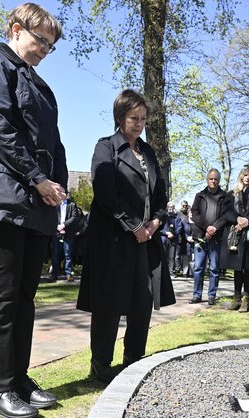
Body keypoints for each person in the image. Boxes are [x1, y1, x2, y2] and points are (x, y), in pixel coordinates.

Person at [0, 2, 68, 418]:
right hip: (3, 198)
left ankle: (18, 379)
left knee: (26, 296)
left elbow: (55, 142)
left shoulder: (39, 84)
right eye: (40, 39)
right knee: (5, 295)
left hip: (36, 203)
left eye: (50, 45)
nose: (45, 49)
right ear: (16, 29)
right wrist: (36, 178)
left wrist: (57, 186)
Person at [77, 89, 175, 383]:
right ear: (120, 117)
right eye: (134, 118)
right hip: (114, 238)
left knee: (141, 300)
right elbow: (106, 193)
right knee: (109, 302)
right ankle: (101, 363)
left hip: (146, 238)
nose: (139, 124)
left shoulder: (148, 153)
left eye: (143, 119)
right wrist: (134, 225)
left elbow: (161, 194)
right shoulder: (105, 148)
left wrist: (156, 221)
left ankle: (133, 359)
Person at [219, 165, 249, 312]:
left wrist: (247, 220)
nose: (248, 178)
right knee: (237, 268)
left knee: (248, 268)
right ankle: (236, 297)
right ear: (241, 175)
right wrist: (238, 219)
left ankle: (246, 298)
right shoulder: (232, 193)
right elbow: (226, 211)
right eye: (245, 175)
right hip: (235, 234)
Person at [189, 168, 226, 305]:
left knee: (214, 268)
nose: (213, 181)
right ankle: (197, 295)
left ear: (219, 180)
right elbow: (194, 213)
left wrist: (214, 228)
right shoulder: (200, 195)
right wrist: (207, 227)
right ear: (207, 180)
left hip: (216, 237)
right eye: (211, 179)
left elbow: (226, 215)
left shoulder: (224, 196)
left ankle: (212, 295)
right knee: (198, 267)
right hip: (200, 236)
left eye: (216, 179)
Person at [50, 191, 83, 282]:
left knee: (67, 254)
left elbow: (74, 217)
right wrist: (57, 227)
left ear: (66, 194)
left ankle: (68, 274)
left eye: (62, 193)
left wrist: (64, 225)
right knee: (55, 254)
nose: (60, 194)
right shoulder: (54, 203)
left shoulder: (72, 204)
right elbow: (51, 216)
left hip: (68, 232)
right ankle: (54, 274)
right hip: (56, 232)